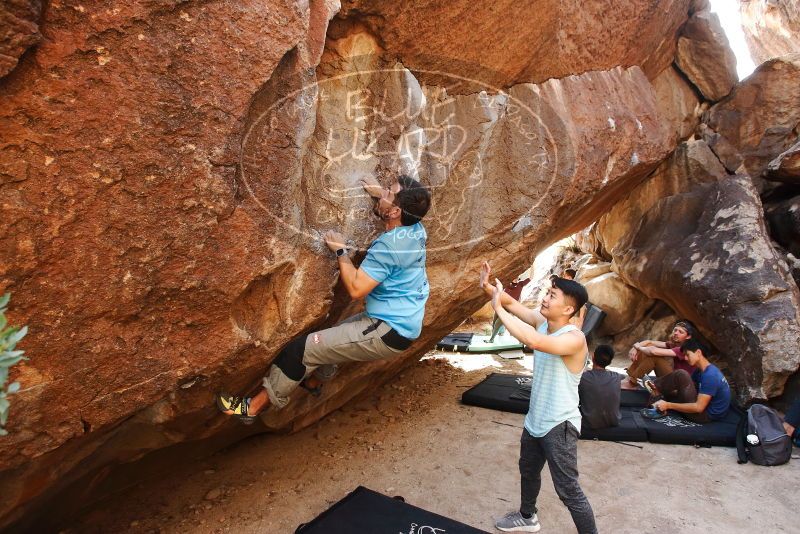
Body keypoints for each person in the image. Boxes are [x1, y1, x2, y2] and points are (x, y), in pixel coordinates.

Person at [216, 174, 431, 422]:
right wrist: (379, 195)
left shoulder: (389, 247)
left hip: (386, 329)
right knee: (336, 336)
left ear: (395, 211)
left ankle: (250, 409)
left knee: (300, 351)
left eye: (388, 192)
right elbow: (395, 209)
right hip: (403, 321)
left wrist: (340, 251)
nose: (383, 192)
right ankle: (314, 382)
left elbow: (357, 288)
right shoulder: (416, 228)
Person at [482, 263, 597, 534]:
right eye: (547, 292)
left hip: (560, 425)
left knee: (568, 491)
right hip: (536, 419)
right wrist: (490, 288)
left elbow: (533, 341)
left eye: (552, 295)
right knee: (528, 471)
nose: (545, 298)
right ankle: (527, 517)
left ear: (568, 309)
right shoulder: (544, 323)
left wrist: (497, 308)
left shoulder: (574, 339)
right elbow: (512, 303)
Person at [644, 338, 731, 423]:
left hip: (704, 415)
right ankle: (657, 391)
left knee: (682, 374)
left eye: (687, 354)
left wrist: (668, 405)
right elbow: (688, 387)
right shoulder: (701, 370)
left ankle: (656, 393)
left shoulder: (710, 375)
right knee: (677, 382)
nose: (685, 358)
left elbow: (698, 408)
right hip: (700, 403)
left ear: (698, 352)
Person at [620, 320, 696, 390]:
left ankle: (632, 383)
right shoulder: (675, 344)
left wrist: (638, 347)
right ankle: (629, 378)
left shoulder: (685, 349)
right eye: (675, 330)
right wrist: (635, 348)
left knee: (655, 357)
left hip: (680, 387)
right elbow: (649, 342)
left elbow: (653, 352)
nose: (676, 333)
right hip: (673, 380)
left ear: (688, 336)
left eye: (680, 332)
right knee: (647, 347)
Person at [579, 345, 621, 430]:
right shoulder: (616, 377)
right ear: (610, 361)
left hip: (588, 423)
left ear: (593, 356)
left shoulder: (582, 377)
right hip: (613, 421)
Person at [486, 275, 531, 343]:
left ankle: (491, 340)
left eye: (517, 277)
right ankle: (501, 333)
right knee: (494, 321)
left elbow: (530, 277)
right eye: (515, 276)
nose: (515, 278)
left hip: (509, 309)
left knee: (497, 324)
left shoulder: (520, 284)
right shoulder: (507, 284)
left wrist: (532, 266)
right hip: (501, 306)